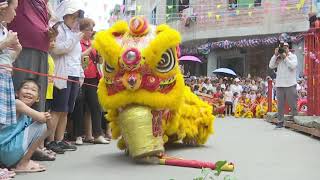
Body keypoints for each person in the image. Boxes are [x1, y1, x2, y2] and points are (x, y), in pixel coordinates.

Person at [46, 0, 84, 152]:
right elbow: (58, 50)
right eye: (73, 16)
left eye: (77, 17)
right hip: (62, 74)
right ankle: (50, 141)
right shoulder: (58, 29)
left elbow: (77, 56)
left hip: (74, 74)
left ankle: (60, 139)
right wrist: (76, 38)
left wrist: (81, 75)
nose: (75, 20)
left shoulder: (73, 33)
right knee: (57, 109)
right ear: (65, 15)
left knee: (67, 109)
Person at [8, 0, 52, 112]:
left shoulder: (43, 4)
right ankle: (13, 127)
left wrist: (51, 34)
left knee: (38, 94)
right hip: (23, 48)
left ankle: (35, 125)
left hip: (42, 50)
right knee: (21, 89)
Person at [0, 79, 52, 173]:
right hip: (5, 151)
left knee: (42, 126)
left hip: (6, 153)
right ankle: (23, 164)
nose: (29, 91)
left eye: (33, 90)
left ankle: (21, 162)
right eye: (26, 88)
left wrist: (47, 118)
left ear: (37, 98)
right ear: (16, 93)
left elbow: (49, 130)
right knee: (41, 125)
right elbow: (42, 120)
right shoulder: (16, 103)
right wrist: (45, 117)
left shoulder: (27, 116)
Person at [72, 18, 109, 145]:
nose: (91, 32)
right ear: (82, 30)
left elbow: (99, 62)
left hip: (93, 78)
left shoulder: (92, 43)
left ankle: (98, 134)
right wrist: (91, 48)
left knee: (95, 106)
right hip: (81, 78)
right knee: (79, 107)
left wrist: (100, 55)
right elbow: (81, 58)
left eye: (92, 29)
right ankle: (78, 135)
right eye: (89, 29)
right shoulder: (78, 42)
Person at [269, 41, 298, 128]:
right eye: (282, 48)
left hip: (290, 84)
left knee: (293, 104)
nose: (283, 49)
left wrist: (285, 58)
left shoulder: (293, 56)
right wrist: (275, 55)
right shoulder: (278, 57)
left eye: (285, 47)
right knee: (280, 105)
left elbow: (293, 66)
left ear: (288, 48)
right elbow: (271, 66)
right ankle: (280, 121)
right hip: (280, 84)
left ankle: (295, 120)